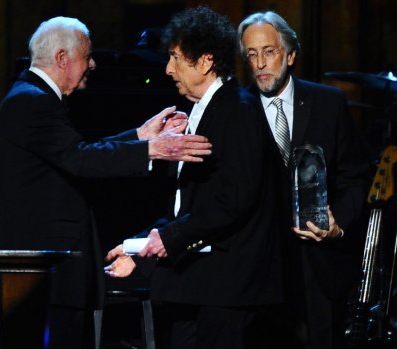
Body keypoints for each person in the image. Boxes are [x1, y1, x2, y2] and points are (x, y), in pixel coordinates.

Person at [0, 16, 212, 349]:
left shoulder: (34, 98)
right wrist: (152, 149)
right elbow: (80, 159)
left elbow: (75, 152)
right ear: (63, 59)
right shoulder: (32, 101)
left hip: (53, 268)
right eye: (87, 56)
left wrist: (140, 135)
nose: (92, 64)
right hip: (46, 270)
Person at [105, 6, 283, 349]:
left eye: (175, 58)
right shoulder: (201, 114)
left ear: (205, 61)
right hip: (196, 283)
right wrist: (138, 249)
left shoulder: (239, 110)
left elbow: (234, 199)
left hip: (228, 288)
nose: (168, 69)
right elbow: (185, 208)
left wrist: (165, 240)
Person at [237, 10, 370, 349]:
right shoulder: (237, 110)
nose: (260, 63)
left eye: (269, 51)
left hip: (319, 264)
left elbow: (356, 177)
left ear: (291, 54)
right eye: (252, 54)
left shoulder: (329, 102)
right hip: (259, 268)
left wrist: (338, 224)